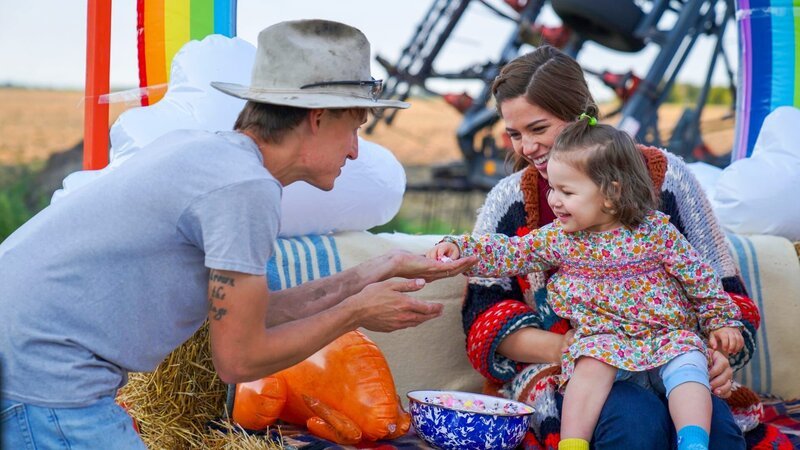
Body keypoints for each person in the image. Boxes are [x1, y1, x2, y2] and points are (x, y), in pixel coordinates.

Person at [0, 20, 475, 449]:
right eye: (356, 128)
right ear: (319, 116)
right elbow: (240, 360)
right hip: (48, 379)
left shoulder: (216, 158)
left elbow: (252, 316)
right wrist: (357, 311)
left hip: (24, 359)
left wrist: (375, 271)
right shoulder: (245, 188)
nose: (355, 152)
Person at [461, 45, 760, 449]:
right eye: (514, 134)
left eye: (538, 129)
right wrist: (576, 347)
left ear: (580, 118)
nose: (526, 148)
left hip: (672, 351)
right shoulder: (510, 200)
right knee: (635, 423)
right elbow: (483, 316)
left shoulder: (668, 179)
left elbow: (719, 288)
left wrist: (719, 353)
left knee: (718, 433)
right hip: (580, 367)